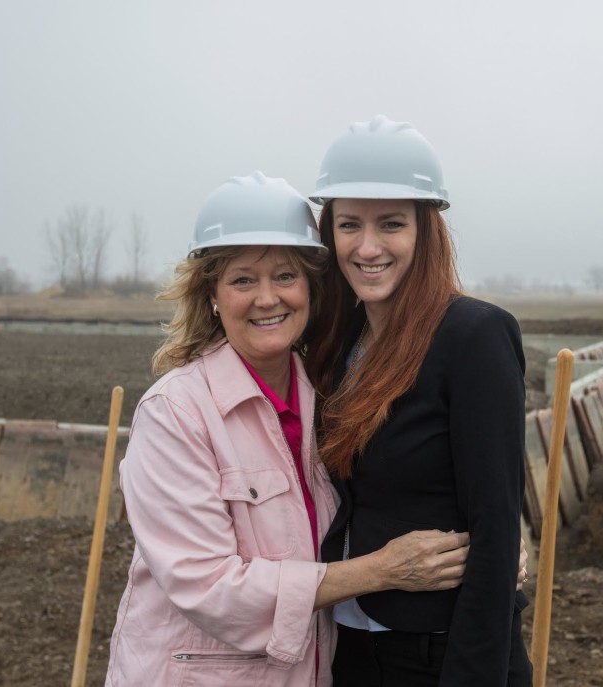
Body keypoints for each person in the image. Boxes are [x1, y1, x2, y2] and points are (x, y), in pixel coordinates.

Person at [105, 171, 474, 687]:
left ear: (311, 287)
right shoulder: (177, 413)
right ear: (211, 294)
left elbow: (385, 500)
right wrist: (380, 571)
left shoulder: (330, 397)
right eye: (242, 280)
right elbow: (207, 584)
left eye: (285, 276)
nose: (267, 298)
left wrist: (487, 550)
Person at [305, 116, 533, 685]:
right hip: (350, 647)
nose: (368, 246)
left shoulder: (472, 336)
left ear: (425, 230)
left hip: (440, 654)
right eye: (349, 224)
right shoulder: (341, 343)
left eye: (391, 224)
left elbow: (497, 525)